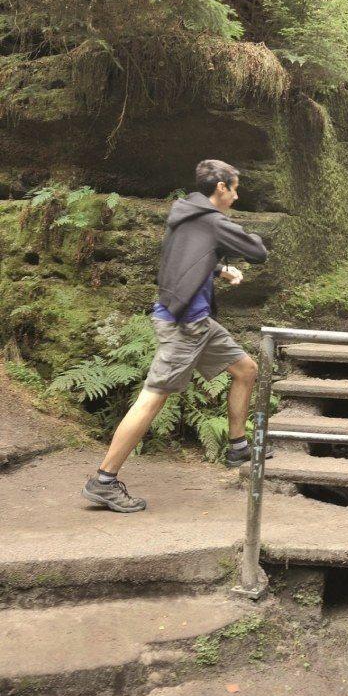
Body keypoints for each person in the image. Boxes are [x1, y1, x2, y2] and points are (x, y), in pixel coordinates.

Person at [82, 159, 268, 513]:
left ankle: (238, 445)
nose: (237, 195)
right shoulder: (212, 221)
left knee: (246, 370)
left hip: (196, 321)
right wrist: (239, 238)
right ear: (221, 188)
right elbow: (258, 252)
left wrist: (218, 268)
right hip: (183, 325)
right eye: (235, 188)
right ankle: (104, 480)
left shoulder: (184, 215)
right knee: (153, 397)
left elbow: (183, 256)